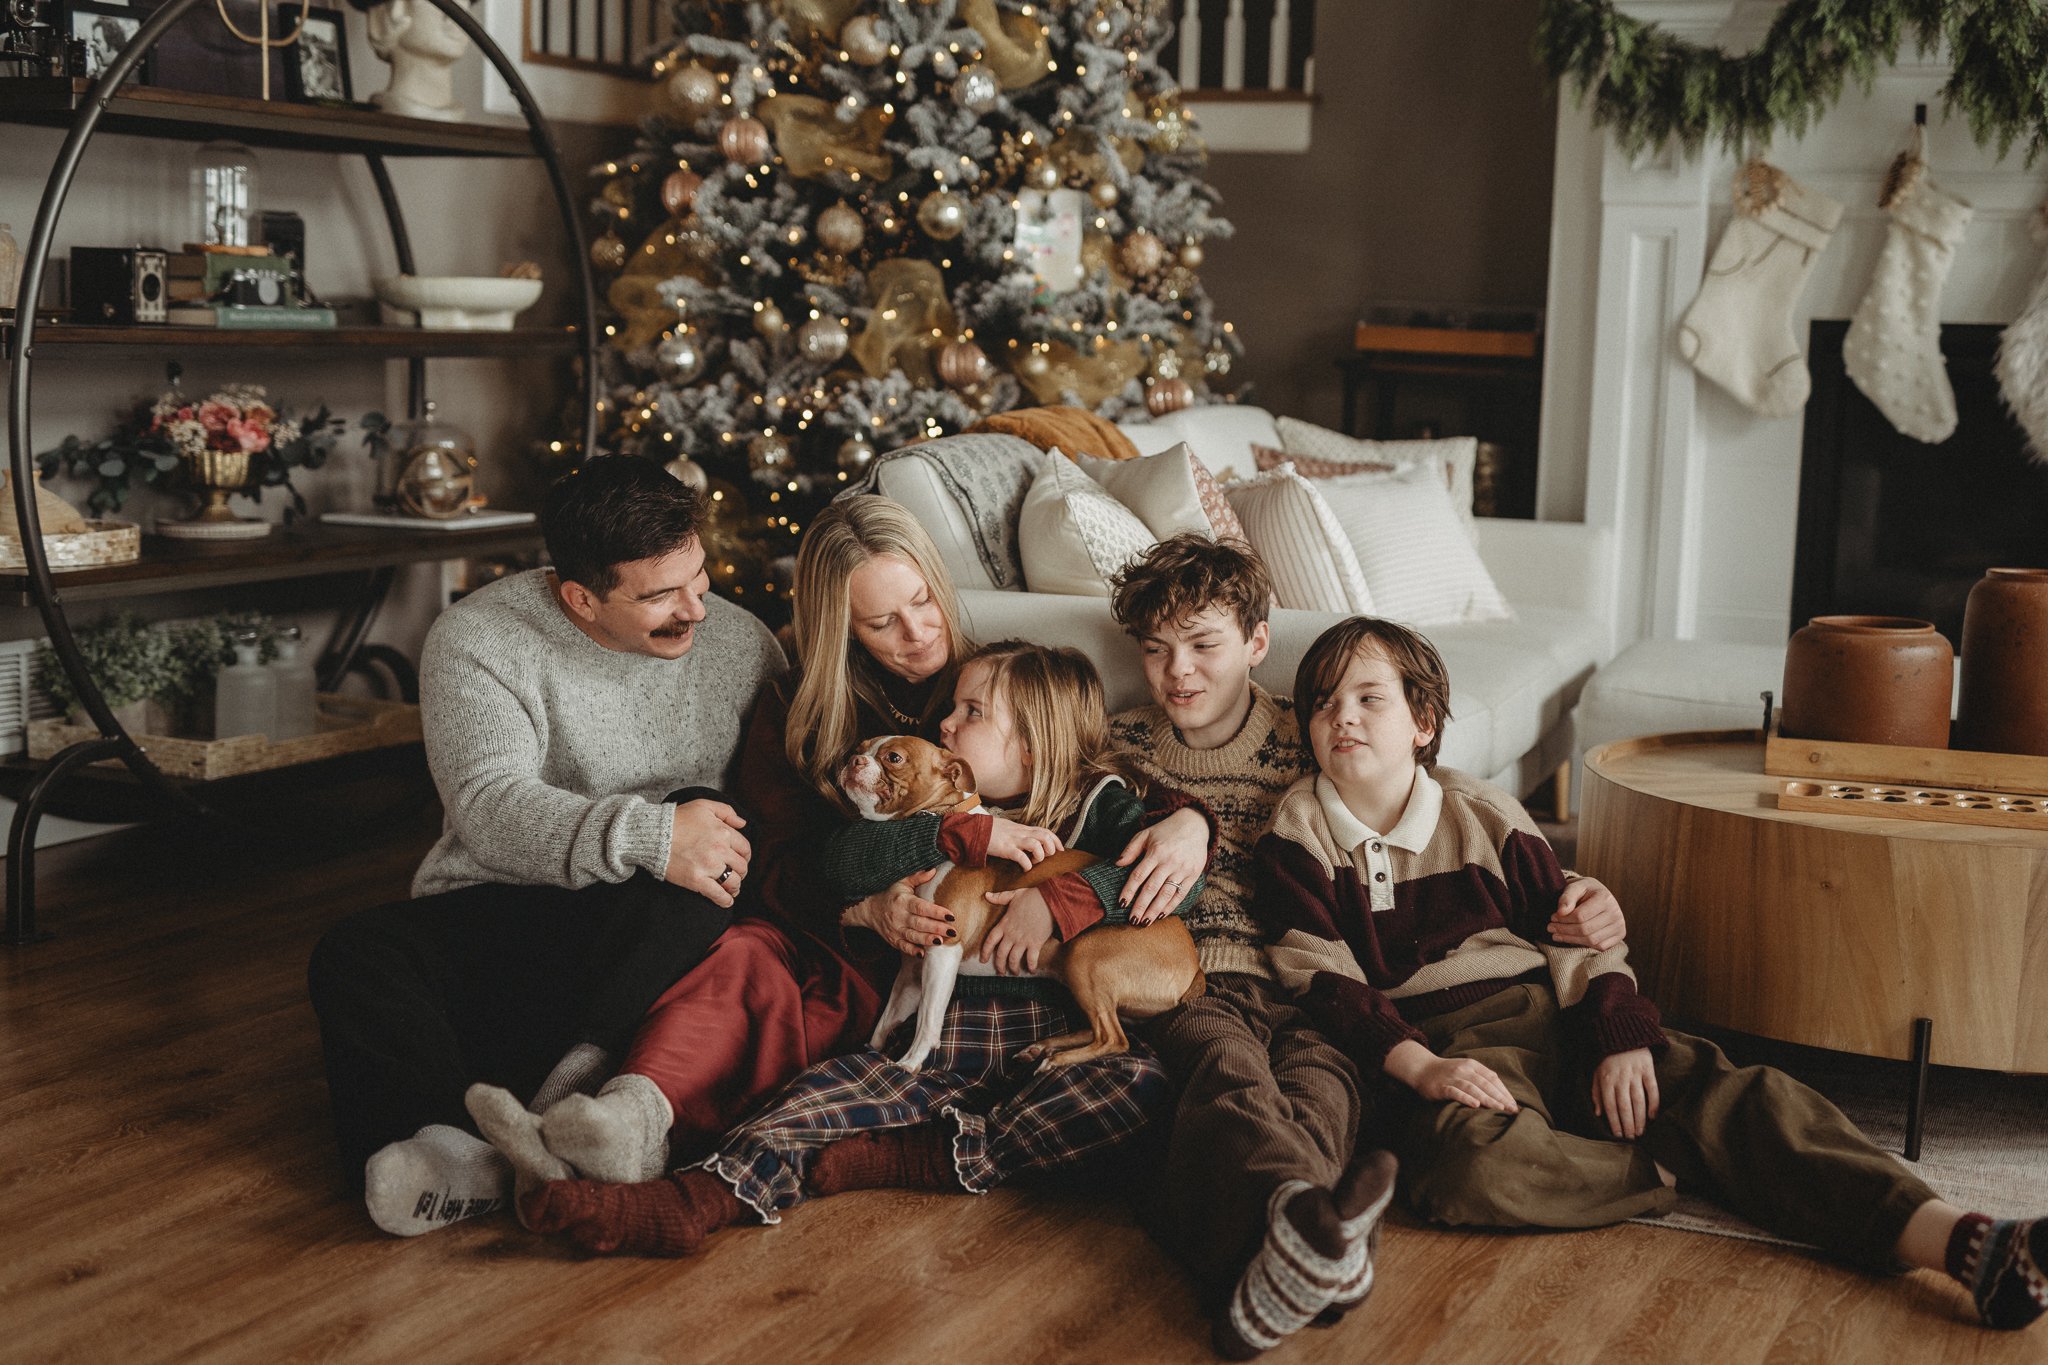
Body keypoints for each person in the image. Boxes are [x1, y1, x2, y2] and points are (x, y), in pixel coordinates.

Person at [1259, 615, 2048, 1336]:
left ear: (1422, 722)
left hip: (1552, 1009)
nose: (1343, 717)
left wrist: (1617, 1034)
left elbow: (1573, 925)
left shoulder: (1484, 813)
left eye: (1369, 698)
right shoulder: (1298, 830)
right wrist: (1421, 1065)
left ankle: (1963, 1241)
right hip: (1450, 1049)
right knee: (1465, 1167)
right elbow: (1317, 975)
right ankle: (1667, 1168)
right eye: (1324, 703)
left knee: (1742, 1096)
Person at [465, 495, 1207, 1185]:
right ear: (838, 626)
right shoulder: (799, 710)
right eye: (881, 622)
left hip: (947, 958)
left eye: (921, 601)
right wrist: (877, 900)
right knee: (743, 962)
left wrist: (1187, 821)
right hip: (834, 934)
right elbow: (787, 870)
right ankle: (628, 1120)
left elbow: (1095, 779)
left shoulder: (991, 677)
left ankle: (636, 1144)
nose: (918, 634)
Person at [1104, 534, 1630, 1358]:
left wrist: (1579, 892)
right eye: (1156, 650)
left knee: (1324, 1092)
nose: (1179, 673)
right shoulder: (1122, 750)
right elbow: (1072, 825)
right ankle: (1307, 1240)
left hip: (1319, 977)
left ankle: (1301, 1244)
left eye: (1203, 645)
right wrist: (1180, 817)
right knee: (1230, 1078)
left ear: (1256, 642)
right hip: (1193, 978)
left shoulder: (1312, 735)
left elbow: (1418, 816)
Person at [514, 641, 1211, 1255]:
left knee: (1137, 1091)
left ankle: (917, 1158)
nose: (945, 721)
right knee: (811, 1100)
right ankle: (682, 1201)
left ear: (1031, 743)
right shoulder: (929, 809)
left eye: (972, 712)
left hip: (1048, 1028)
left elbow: (1170, 882)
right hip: (945, 1030)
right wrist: (938, 842)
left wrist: (1065, 897)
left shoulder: (1106, 804)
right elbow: (838, 862)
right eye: (952, 709)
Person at [305, 456, 785, 1236]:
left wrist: (679, 835)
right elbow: (489, 806)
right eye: (661, 594)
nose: (697, 609)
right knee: (355, 949)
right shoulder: (479, 639)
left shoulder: (743, 645)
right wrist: (647, 834)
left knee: (710, 816)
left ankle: (560, 1103)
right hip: (514, 907)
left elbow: (778, 807)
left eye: (699, 575)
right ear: (580, 597)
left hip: (659, 935)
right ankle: (448, 1155)